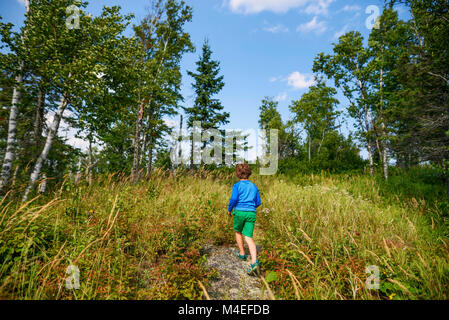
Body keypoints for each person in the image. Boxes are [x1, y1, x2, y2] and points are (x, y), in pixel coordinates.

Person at [227, 163, 261, 276]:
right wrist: (251, 207)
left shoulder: (236, 186)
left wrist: (229, 209)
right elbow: (258, 202)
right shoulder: (253, 186)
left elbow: (234, 198)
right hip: (251, 212)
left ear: (237, 174)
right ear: (249, 174)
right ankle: (254, 261)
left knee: (238, 231)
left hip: (239, 212)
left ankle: (242, 253)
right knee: (249, 237)